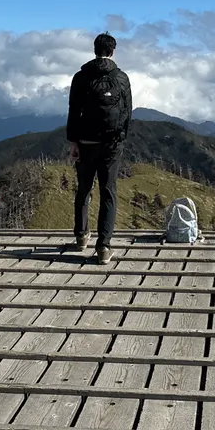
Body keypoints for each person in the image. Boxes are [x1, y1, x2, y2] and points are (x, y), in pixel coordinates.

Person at [67, 32, 132, 265]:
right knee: (108, 192)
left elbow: (73, 111)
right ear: (113, 51)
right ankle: (104, 247)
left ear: (95, 50)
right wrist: (120, 141)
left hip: (85, 142)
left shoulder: (80, 77)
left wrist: (73, 142)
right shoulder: (122, 78)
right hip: (111, 145)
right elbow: (127, 114)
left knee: (84, 188)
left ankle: (81, 236)